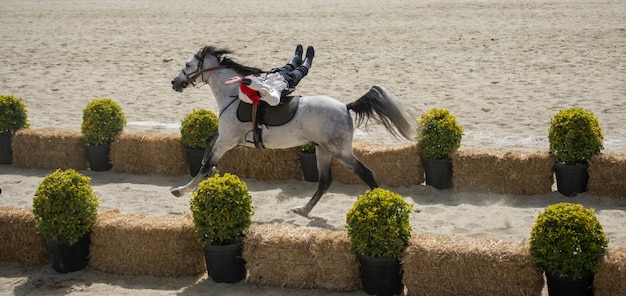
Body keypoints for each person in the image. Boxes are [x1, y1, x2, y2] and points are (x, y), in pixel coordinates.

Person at [225, 44, 314, 148]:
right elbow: (257, 84)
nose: (254, 77)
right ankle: (308, 59)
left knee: (290, 65)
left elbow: (250, 86)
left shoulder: (246, 93)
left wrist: (242, 81)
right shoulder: (271, 97)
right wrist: (242, 80)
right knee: (302, 70)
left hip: (274, 74)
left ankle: (297, 57)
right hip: (287, 80)